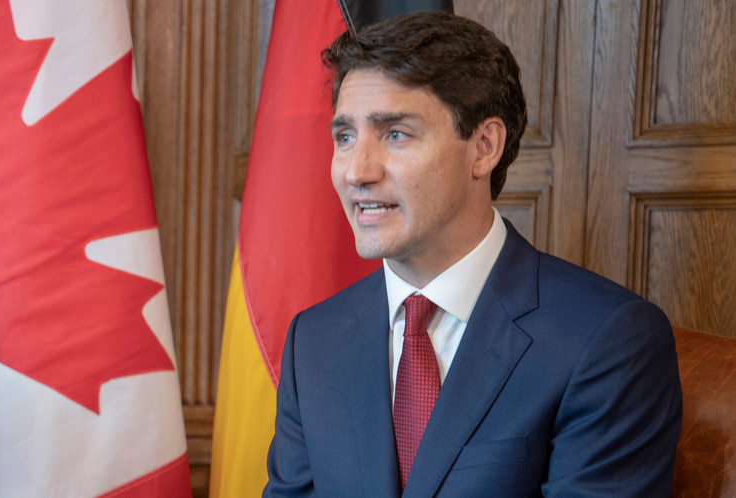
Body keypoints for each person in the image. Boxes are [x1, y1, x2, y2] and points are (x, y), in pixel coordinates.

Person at [264, 12, 681, 497]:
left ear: (484, 147)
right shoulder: (313, 341)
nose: (356, 170)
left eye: (395, 134)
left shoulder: (608, 340)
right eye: (345, 137)